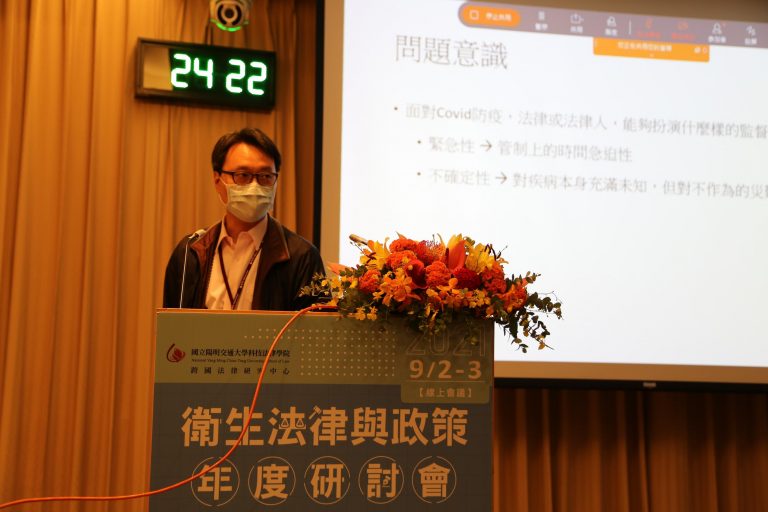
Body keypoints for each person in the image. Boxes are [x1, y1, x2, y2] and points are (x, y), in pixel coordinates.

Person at [163, 128, 325, 310]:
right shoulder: (189, 254)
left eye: (265, 176)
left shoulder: (302, 257)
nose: (255, 185)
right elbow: (172, 325)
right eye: (243, 175)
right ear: (217, 180)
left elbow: (314, 327)